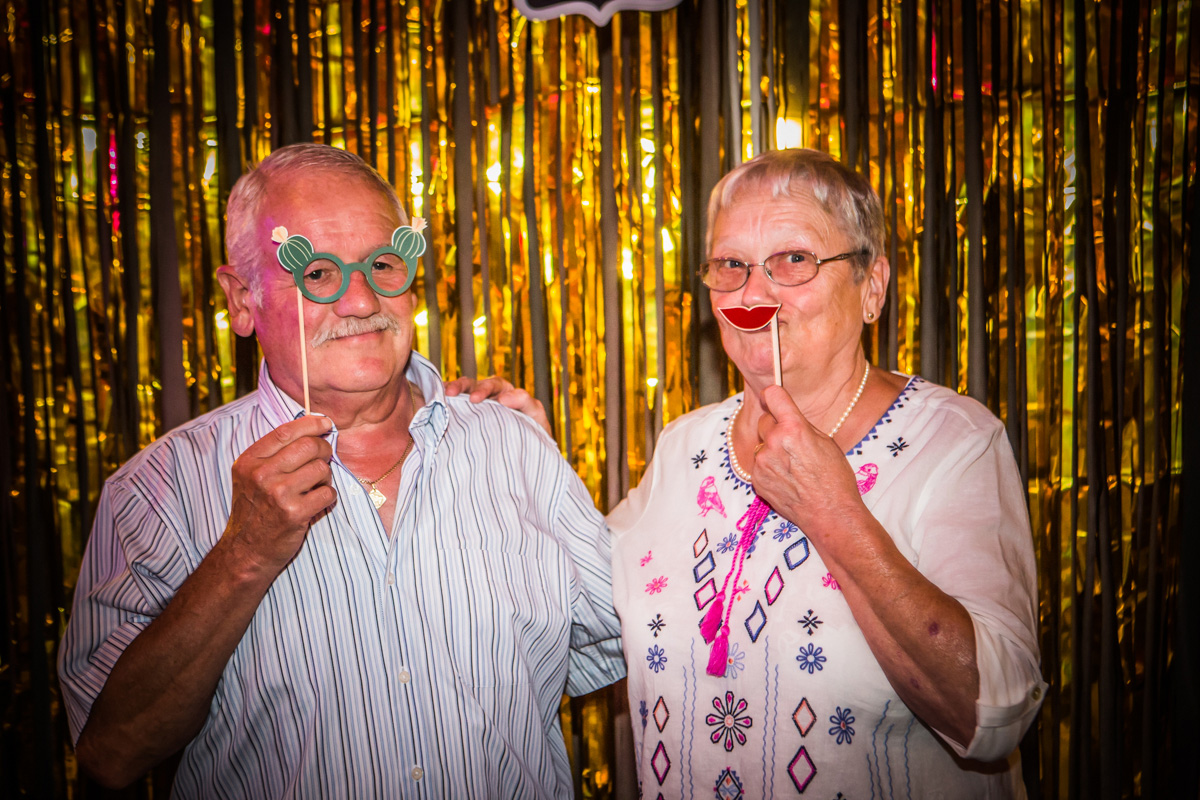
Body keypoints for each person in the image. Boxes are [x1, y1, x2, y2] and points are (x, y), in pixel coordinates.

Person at [451, 148, 1046, 797]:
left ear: (872, 285)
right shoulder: (684, 445)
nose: (753, 294)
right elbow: (588, 612)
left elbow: (997, 712)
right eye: (731, 265)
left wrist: (835, 515)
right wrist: (529, 463)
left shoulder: (951, 441)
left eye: (793, 259)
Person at [57, 142, 625, 798]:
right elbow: (112, 752)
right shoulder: (156, 492)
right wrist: (243, 555)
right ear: (241, 299)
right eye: (318, 273)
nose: (360, 301)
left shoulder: (515, 445)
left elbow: (631, 635)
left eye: (382, 264)